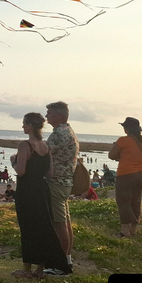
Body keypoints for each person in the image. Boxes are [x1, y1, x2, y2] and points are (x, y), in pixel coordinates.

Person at [11, 112, 72, 279]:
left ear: (30, 125)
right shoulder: (45, 146)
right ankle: (40, 268)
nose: (22, 126)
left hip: (27, 190)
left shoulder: (25, 145)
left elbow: (21, 171)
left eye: (24, 123)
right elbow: (50, 173)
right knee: (42, 227)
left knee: (27, 228)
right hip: (41, 188)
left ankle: (26, 269)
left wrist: (13, 162)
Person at [108, 117, 142, 238]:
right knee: (136, 201)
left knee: (123, 202)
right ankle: (133, 229)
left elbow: (111, 155)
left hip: (125, 174)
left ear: (126, 130)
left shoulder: (122, 141)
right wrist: (141, 158)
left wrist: (122, 156)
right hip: (141, 174)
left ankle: (125, 230)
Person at [45, 101, 78, 271]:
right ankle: (67, 258)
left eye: (49, 113)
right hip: (65, 181)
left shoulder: (59, 133)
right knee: (65, 222)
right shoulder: (68, 131)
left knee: (59, 224)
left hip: (57, 181)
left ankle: (61, 265)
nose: (46, 116)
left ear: (58, 115)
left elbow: (42, 152)